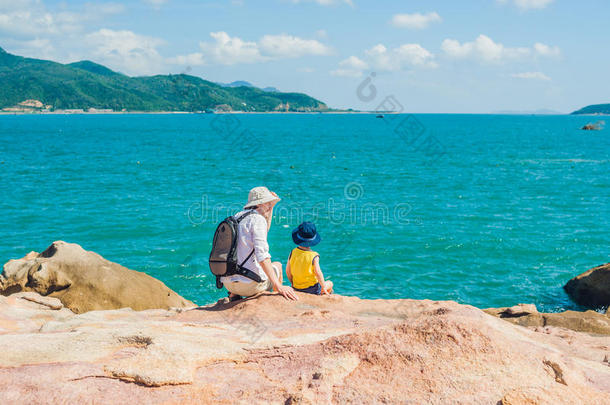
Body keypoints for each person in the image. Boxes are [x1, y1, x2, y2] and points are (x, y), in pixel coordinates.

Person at [221, 186, 298, 301]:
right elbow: (262, 256)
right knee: (277, 266)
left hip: (228, 284)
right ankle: (274, 301)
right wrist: (278, 285)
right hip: (249, 286)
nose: (268, 207)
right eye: (268, 203)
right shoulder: (257, 220)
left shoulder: (236, 217)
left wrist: (271, 207)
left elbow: (264, 231)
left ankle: (234, 296)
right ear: (260, 204)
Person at [286, 221, 333, 295]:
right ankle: (324, 297)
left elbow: (288, 271)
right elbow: (318, 273)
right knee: (330, 283)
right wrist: (323, 286)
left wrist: (292, 283)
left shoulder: (292, 252)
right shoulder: (314, 255)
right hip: (312, 289)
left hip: (296, 287)